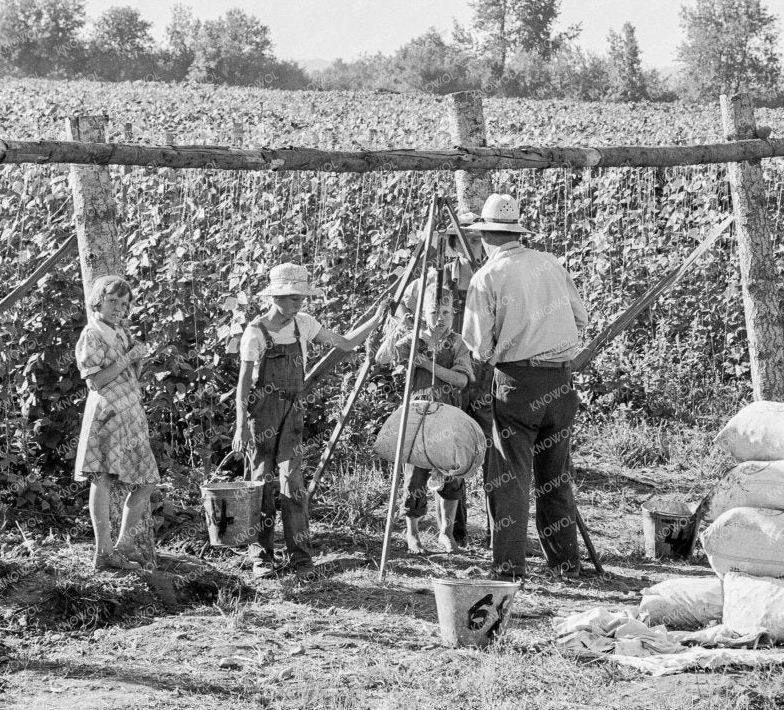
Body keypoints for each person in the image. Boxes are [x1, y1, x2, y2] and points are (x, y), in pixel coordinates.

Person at [460, 194, 591, 578]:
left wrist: (508, 342)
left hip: (517, 383)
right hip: (561, 381)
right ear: (515, 232)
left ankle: (509, 566)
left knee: (510, 477)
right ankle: (566, 562)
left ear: (485, 236)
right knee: (556, 475)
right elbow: (580, 319)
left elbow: (480, 347)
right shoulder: (549, 264)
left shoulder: (487, 277)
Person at [234, 262, 371, 575]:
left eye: (301, 298)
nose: (299, 303)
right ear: (276, 298)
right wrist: (241, 426)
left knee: (294, 485)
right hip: (262, 416)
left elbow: (346, 343)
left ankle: (301, 559)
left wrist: (377, 320)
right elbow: (243, 384)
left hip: (293, 413)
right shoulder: (255, 333)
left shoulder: (304, 324)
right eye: (294, 297)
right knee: (262, 486)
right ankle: (262, 558)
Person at [375, 269, 476, 554]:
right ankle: (413, 534)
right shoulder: (413, 339)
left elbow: (461, 379)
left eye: (446, 311)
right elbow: (383, 357)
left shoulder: (456, 342)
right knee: (415, 474)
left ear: (453, 313)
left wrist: (428, 365)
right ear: (423, 314)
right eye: (434, 312)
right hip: (418, 415)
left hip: (448, 413)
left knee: (451, 471)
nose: (441, 318)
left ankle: (446, 532)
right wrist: (398, 327)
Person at [73, 274, 160, 573]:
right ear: (98, 300)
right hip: (107, 413)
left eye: (124, 304)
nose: (119, 308)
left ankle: (123, 545)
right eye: (112, 301)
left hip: (130, 412)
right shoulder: (92, 334)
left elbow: (131, 374)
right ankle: (104, 552)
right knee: (103, 478)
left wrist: (139, 358)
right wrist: (128, 358)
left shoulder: (120, 331)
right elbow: (96, 381)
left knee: (147, 480)